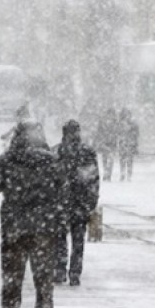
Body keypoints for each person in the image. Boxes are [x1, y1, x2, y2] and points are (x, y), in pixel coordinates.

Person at [0, 122, 64, 308]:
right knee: (44, 286)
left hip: (15, 229)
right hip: (43, 229)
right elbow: (62, 189)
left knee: (12, 284)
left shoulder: (8, 159)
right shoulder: (51, 161)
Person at [53, 120, 100, 286]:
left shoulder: (56, 152)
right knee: (78, 240)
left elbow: (50, 178)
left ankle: (60, 269)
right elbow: (93, 179)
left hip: (61, 201)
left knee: (59, 238)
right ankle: (74, 272)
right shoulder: (87, 152)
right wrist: (91, 201)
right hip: (80, 202)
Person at [95, 108, 118, 181]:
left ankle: (108, 174)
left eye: (112, 114)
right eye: (110, 114)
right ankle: (106, 173)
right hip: (104, 143)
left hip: (112, 143)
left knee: (110, 160)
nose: (111, 116)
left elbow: (117, 133)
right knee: (105, 159)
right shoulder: (102, 122)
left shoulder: (116, 123)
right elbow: (99, 132)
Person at [118, 108, 139, 182]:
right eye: (125, 114)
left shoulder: (133, 124)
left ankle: (128, 175)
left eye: (128, 114)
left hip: (130, 143)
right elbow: (117, 133)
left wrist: (134, 143)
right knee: (122, 160)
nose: (127, 116)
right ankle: (123, 174)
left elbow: (136, 134)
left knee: (129, 160)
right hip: (123, 143)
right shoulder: (120, 124)